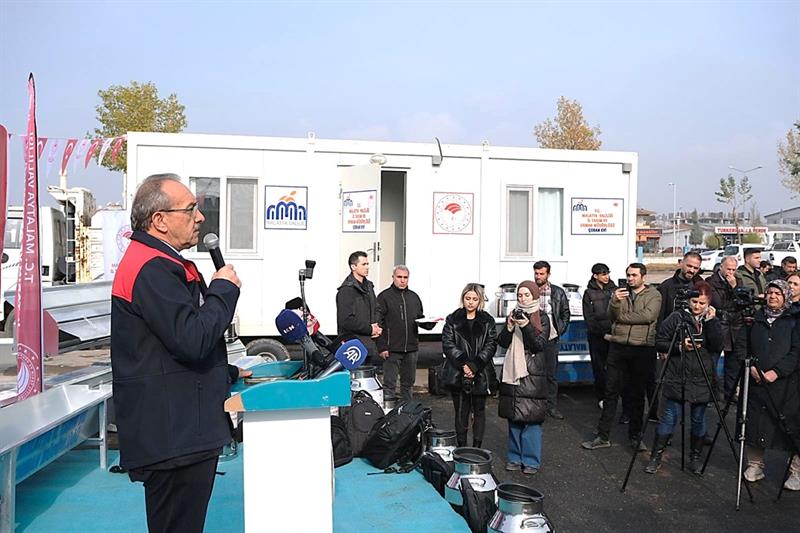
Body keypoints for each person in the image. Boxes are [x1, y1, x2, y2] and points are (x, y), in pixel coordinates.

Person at [111, 173, 249, 533]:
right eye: (190, 210)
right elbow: (192, 339)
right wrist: (223, 290)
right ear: (159, 220)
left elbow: (164, 347)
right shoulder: (151, 268)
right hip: (174, 435)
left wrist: (227, 373)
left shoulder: (160, 262)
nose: (200, 218)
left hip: (179, 427)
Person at [582, 263, 662, 452]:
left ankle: (635, 436)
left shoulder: (654, 295)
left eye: (634, 275)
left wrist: (622, 317)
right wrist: (615, 302)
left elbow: (647, 316)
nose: (630, 278)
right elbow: (611, 315)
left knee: (637, 394)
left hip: (641, 348)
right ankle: (602, 436)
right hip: (618, 347)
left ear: (643, 277)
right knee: (610, 392)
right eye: (628, 275)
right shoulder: (620, 293)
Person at [645, 281, 723, 474]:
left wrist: (711, 322)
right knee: (669, 417)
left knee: (698, 419)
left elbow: (717, 345)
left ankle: (695, 457)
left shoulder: (711, 320)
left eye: (702, 303)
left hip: (702, 375)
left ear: (709, 303)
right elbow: (659, 341)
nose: (697, 306)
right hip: (677, 374)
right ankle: (656, 456)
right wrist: (680, 346)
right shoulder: (677, 317)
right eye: (694, 302)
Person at [734, 279, 800, 490]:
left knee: (790, 427)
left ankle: (796, 471)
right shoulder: (755, 318)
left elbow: (796, 352)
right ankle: (755, 465)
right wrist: (751, 367)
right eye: (770, 292)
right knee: (755, 424)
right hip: (756, 381)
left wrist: (776, 372)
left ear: (786, 297)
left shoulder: (794, 319)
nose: (772, 296)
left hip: (785, 385)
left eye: (777, 293)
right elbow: (742, 346)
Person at [497, 281, 550, 475]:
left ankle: (531, 460)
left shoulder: (542, 317)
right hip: (512, 371)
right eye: (520, 295)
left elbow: (538, 345)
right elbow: (502, 343)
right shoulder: (513, 314)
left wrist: (526, 325)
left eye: (527, 295)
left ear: (534, 296)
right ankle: (514, 457)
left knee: (532, 419)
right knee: (514, 417)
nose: (523, 298)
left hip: (532, 373)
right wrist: (509, 327)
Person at [441, 283, 498, 448]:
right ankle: (462, 447)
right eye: (468, 298)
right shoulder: (453, 319)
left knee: (479, 411)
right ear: (463, 298)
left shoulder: (487, 320)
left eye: (474, 299)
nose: (471, 302)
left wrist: (475, 365)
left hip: (481, 372)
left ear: (480, 300)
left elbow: (491, 344)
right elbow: (448, 343)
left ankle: (477, 448)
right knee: (461, 412)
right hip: (457, 373)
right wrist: (464, 364)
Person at [376, 265, 430, 402]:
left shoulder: (414, 297)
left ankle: (407, 411)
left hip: (411, 348)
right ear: (393, 277)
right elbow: (378, 323)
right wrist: (382, 346)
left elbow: (419, 318)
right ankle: (388, 411)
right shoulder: (384, 297)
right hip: (392, 349)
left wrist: (429, 324)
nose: (402, 280)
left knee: (408, 385)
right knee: (389, 385)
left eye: (405, 277)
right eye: (399, 277)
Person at [533, 260, 570, 420]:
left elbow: (565, 313)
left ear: (548, 274)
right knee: (533, 374)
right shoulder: (529, 289)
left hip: (551, 338)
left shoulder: (557, 292)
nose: (538, 276)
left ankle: (551, 407)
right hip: (532, 338)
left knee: (551, 374)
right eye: (536, 273)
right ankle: (534, 406)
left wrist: (559, 329)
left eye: (542, 273)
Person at [707, 256, 745, 399]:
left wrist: (735, 287)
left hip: (734, 325)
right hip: (719, 322)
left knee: (733, 363)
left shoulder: (738, 281)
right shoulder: (711, 282)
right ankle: (712, 394)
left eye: (733, 270)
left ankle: (730, 393)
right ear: (721, 267)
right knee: (713, 361)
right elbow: (716, 302)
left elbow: (742, 302)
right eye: (728, 269)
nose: (731, 272)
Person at [582, 263, 617, 408]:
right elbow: (589, 318)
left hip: (615, 335)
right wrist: (602, 334)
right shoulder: (589, 293)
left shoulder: (614, 290)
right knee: (599, 368)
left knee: (615, 368)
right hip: (597, 337)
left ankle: (613, 395)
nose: (606, 276)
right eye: (603, 274)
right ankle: (602, 396)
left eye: (607, 273)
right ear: (595, 276)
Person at [336, 251, 382, 361]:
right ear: (353, 267)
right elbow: (345, 320)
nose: (367, 267)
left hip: (370, 344)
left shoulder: (369, 286)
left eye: (367, 264)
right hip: (353, 348)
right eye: (363, 264)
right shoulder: (346, 290)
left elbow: (377, 309)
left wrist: (376, 327)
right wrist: (370, 329)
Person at [657, 251, 704, 325]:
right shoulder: (666, 286)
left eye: (695, 268)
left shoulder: (701, 286)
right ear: (681, 263)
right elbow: (660, 315)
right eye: (689, 266)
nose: (692, 270)